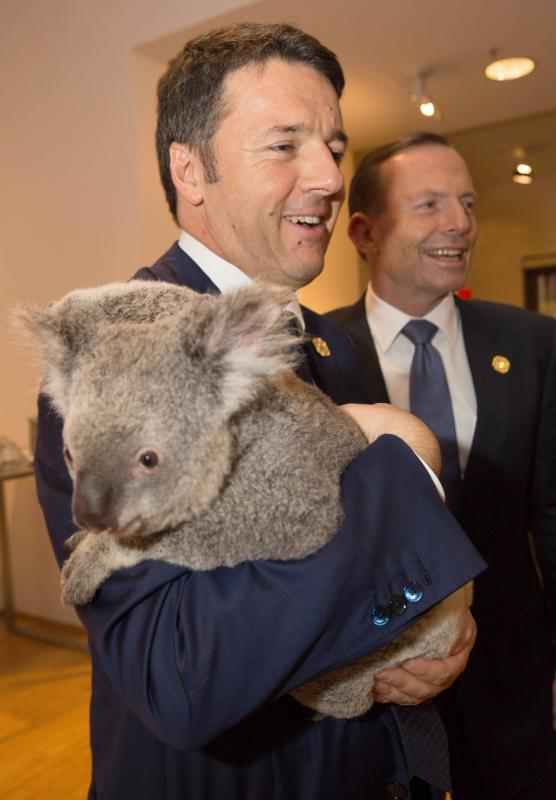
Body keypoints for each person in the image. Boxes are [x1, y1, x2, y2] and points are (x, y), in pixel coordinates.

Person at [34, 29, 485, 800]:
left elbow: (352, 562)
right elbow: (181, 673)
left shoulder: (332, 344)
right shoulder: (115, 363)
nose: (329, 175)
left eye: (333, 145)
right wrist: (407, 460)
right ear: (191, 169)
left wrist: (431, 628)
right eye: (285, 146)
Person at [328, 131, 556, 799]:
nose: (459, 223)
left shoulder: (534, 343)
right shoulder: (315, 353)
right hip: (373, 687)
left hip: (511, 685)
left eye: (466, 202)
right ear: (365, 232)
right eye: (428, 204)